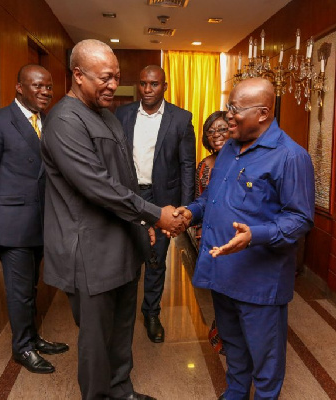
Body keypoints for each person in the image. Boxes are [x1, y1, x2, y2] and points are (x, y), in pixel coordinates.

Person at [41, 39, 185, 400]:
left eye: (117, 77)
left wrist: (143, 225)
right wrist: (156, 214)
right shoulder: (64, 120)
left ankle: (122, 391)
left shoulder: (106, 115)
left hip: (121, 246)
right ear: (77, 75)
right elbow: (98, 187)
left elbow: (126, 178)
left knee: (122, 330)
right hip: (89, 252)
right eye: (105, 78)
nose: (112, 85)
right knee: (96, 340)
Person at [178, 77, 315, 400]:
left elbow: (300, 219)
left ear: (264, 113)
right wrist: (190, 212)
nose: (228, 117)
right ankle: (236, 392)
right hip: (222, 273)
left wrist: (256, 235)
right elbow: (212, 197)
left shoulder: (290, 157)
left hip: (259, 280)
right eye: (228, 107)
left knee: (265, 354)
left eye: (236, 110)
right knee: (233, 345)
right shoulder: (229, 150)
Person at [0, 64, 69, 374]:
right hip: (11, 225)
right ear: (19, 87)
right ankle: (22, 348)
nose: (45, 92)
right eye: (37, 86)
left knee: (31, 288)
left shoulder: (49, 122)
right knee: (19, 290)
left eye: (49, 87)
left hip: (42, 223)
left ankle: (33, 337)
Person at [115, 65, 196, 343]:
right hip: (129, 196)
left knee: (156, 259)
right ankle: (122, 315)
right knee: (126, 256)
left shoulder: (181, 119)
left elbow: (187, 166)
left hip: (162, 199)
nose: (147, 90)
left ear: (165, 86)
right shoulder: (122, 114)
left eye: (154, 84)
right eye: (143, 84)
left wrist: (185, 209)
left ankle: (151, 313)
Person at [192, 110, 229, 246]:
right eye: (211, 131)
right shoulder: (205, 164)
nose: (216, 135)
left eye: (222, 129)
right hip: (208, 233)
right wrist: (200, 230)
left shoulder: (244, 160)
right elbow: (199, 198)